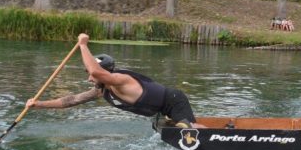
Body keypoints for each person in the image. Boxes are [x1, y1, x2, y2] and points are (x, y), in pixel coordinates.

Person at [26, 33, 203, 128]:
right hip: (160, 111)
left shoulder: (120, 79)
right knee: (181, 128)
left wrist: (83, 45)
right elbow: (71, 100)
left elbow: (95, 71)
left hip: (173, 101)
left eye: (92, 75)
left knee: (190, 129)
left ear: (103, 72)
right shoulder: (101, 90)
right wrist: (39, 104)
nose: (89, 78)